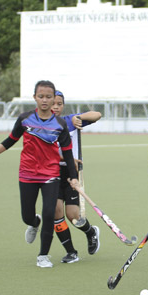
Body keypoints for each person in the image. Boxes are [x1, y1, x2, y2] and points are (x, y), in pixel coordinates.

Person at [0, 80, 79, 268]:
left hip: (51, 174)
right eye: (41, 96)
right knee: (27, 215)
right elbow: (10, 140)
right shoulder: (24, 119)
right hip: (28, 173)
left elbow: (67, 153)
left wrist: (73, 177)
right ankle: (34, 222)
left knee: (49, 213)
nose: (45, 100)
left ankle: (43, 256)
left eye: (49, 97)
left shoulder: (60, 125)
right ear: (34, 98)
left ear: (54, 98)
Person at [51, 90, 102, 263]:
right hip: (51, 171)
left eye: (59, 104)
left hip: (72, 173)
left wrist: (78, 117)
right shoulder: (42, 125)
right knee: (56, 213)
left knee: (73, 216)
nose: (56, 107)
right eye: (53, 103)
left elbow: (97, 115)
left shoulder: (69, 121)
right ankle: (71, 252)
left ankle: (91, 232)